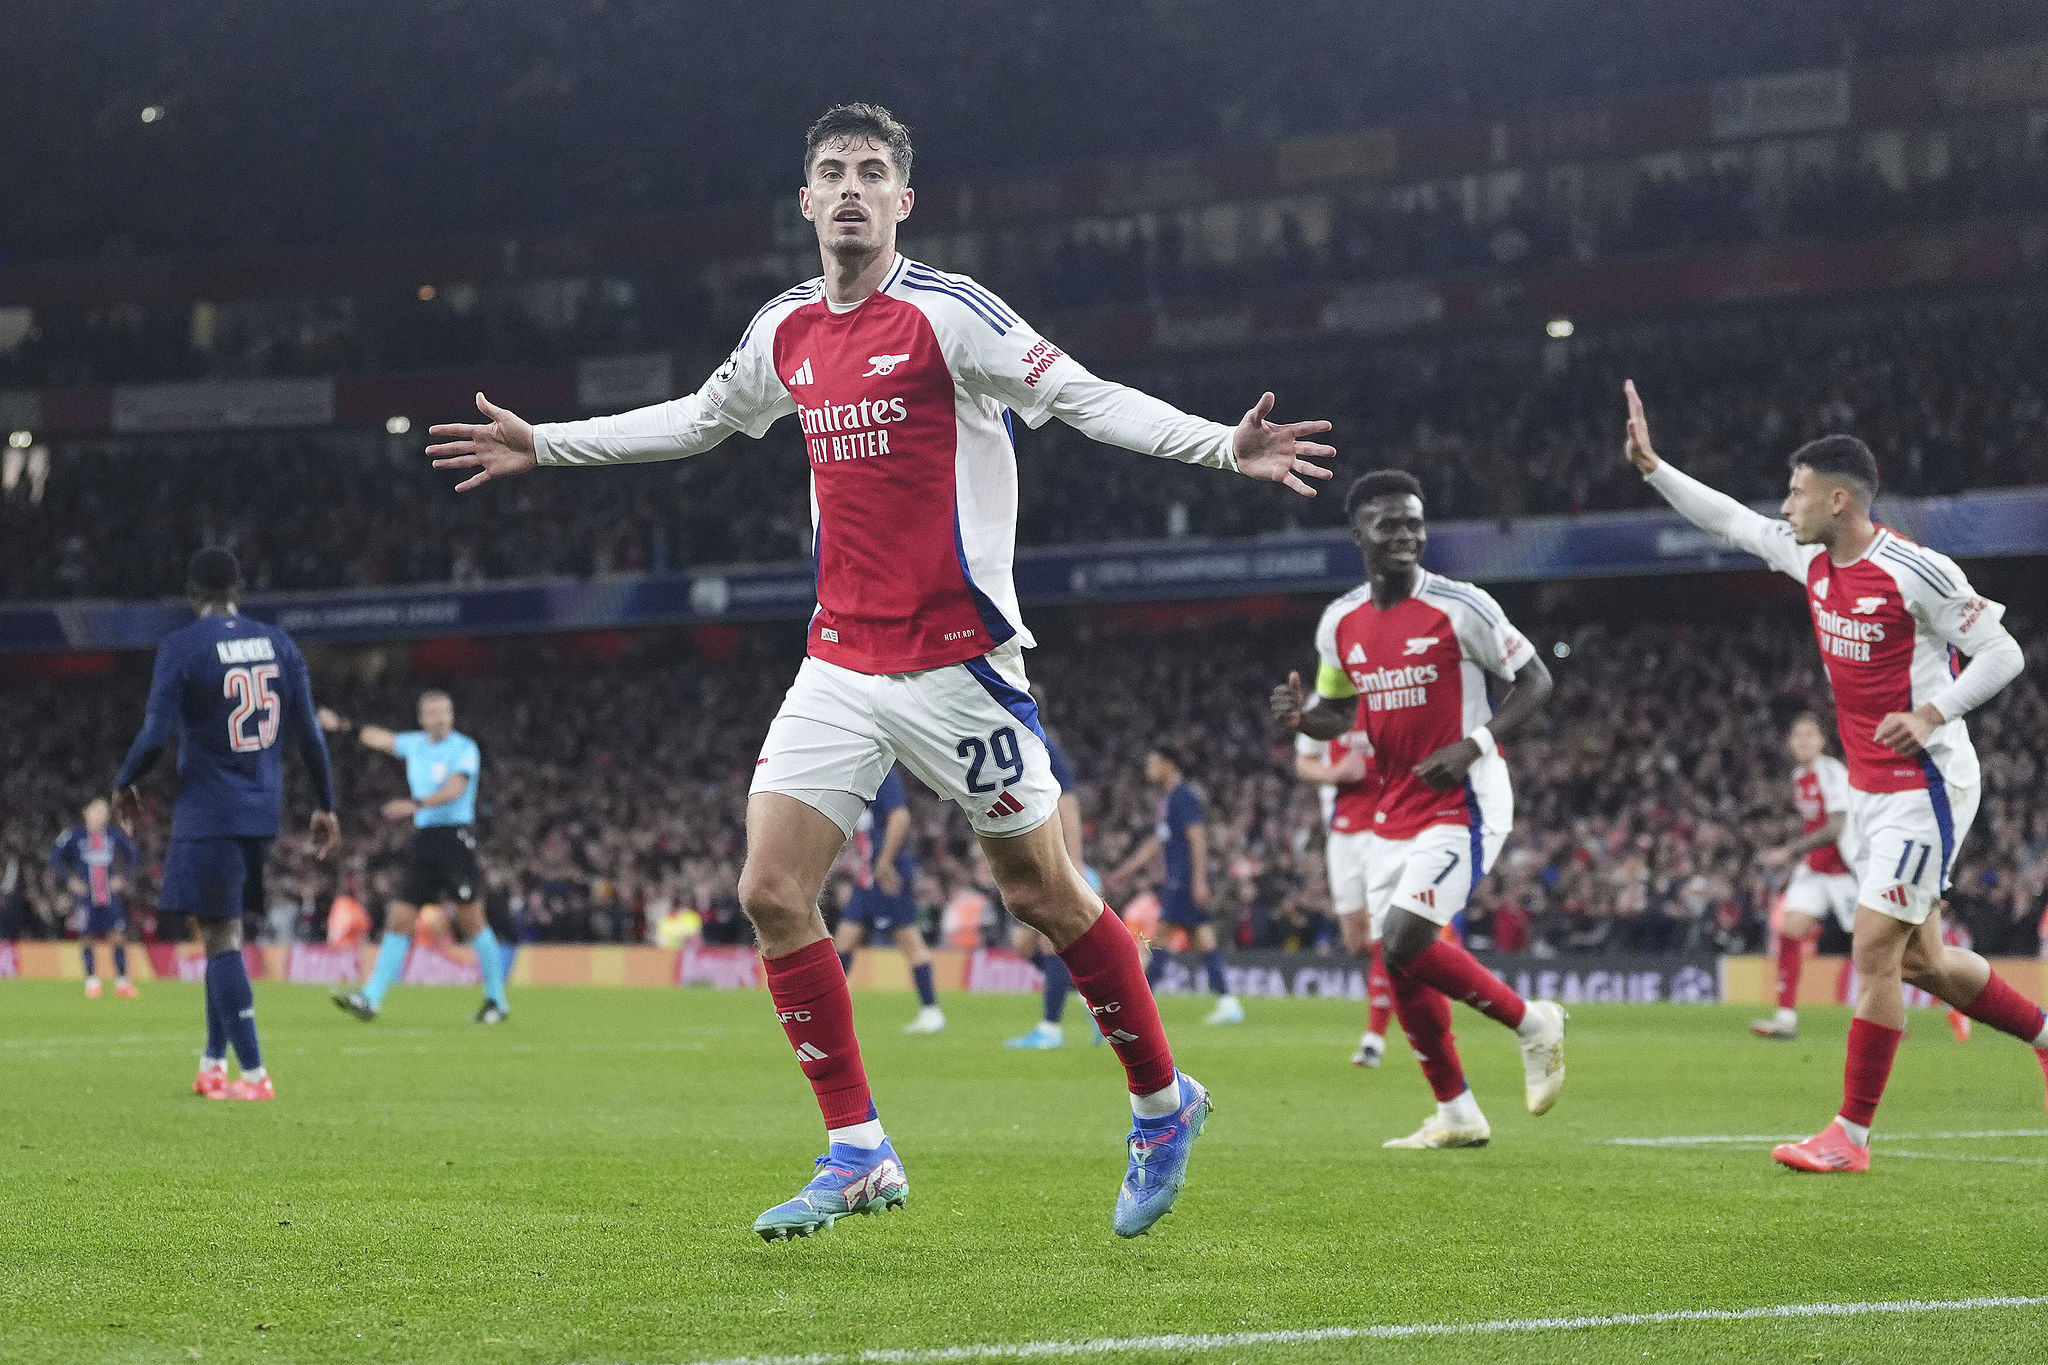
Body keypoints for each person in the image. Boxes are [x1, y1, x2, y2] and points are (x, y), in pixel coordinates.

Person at [425, 103, 1334, 1239]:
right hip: (838, 660)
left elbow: (1081, 395)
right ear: (804, 203)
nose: (849, 188)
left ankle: (1161, 1104)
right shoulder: (784, 330)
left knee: (1042, 895)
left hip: (960, 666)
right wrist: (545, 443)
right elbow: (698, 420)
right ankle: (857, 1149)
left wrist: (1217, 444)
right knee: (767, 889)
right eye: (829, 173)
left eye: (870, 172)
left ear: (903, 200)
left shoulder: (949, 317)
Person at [1623, 381, 2041, 1173]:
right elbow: (1731, 520)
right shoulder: (1807, 556)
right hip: (1872, 789)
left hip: (1928, 784)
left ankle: (1850, 1135)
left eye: (1797, 492)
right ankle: (2045, 1034)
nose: (1785, 505)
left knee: (1875, 948)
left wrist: (1933, 713)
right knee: (1925, 962)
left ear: (1840, 499)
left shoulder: (1917, 570)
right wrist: (1654, 469)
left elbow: (2004, 652)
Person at [1272, 469, 1567, 1149]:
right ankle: (1457, 1112)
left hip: (1465, 797)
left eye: (1414, 521)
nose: (1405, 534)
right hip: (1391, 807)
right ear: (1359, 534)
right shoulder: (1340, 623)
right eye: (1389, 523)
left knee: (1406, 937)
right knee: (1396, 958)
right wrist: (1301, 718)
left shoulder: (1462, 606)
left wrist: (1475, 743)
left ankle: (1533, 1023)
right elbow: (1337, 713)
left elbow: (1535, 679)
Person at [112, 548, 339, 1101]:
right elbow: (309, 733)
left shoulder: (183, 646)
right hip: (262, 806)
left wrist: (124, 782)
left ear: (192, 595)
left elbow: (155, 736)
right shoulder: (279, 643)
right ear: (240, 588)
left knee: (218, 936)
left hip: (210, 808)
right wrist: (326, 803)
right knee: (221, 929)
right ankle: (213, 1063)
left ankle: (256, 1074)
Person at [321, 693, 509, 1024]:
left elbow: (456, 789)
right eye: (433, 714)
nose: (440, 719)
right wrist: (342, 725)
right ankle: (370, 998)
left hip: (455, 838)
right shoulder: (414, 743)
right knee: (400, 917)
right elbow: (379, 738)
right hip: (425, 842)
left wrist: (415, 805)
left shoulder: (464, 748)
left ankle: (497, 1000)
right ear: (422, 719)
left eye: (446, 712)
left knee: (471, 919)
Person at [1107, 746, 1243, 1025]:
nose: (1149, 770)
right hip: (1180, 878)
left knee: (1158, 938)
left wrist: (1199, 880)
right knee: (1202, 938)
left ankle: (1139, 1006)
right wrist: (1126, 870)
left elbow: (1198, 838)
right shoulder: (1169, 800)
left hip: (1183, 879)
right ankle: (1228, 1001)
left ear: (1169, 764)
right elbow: (1156, 843)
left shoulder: (1184, 797)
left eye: (1153, 763)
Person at [1751, 713, 1859, 1040]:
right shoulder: (1799, 776)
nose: (1803, 741)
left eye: (1810, 735)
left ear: (1822, 741)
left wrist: (1789, 850)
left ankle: (1894, 1015)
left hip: (1846, 872)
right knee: (1789, 932)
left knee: (1876, 948)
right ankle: (1785, 1018)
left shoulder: (1831, 772)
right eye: (1797, 736)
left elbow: (1836, 826)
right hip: (1815, 870)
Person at [1293, 731, 1393, 1065]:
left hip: (1386, 829)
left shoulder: (1388, 690)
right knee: (1357, 942)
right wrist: (1333, 774)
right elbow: (1304, 762)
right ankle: (1427, 963)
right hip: (1342, 832)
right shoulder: (1327, 703)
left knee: (1383, 934)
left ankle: (1373, 1040)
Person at [834, 765, 945, 1034]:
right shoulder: (860, 778)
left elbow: (900, 816)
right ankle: (830, 1014)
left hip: (886, 878)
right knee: (843, 943)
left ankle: (931, 1011)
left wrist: (884, 863)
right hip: (866, 879)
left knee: (910, 943)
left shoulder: (882, 775)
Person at [1007, 721, 1094, 1049]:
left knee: (1048, 942)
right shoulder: (1015, 743)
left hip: (1052, 856)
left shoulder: (1044, 747)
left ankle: (1050, 1029)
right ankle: (1090, 1001)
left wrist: (1074, 861)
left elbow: (1067, 804)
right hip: (1028, 856)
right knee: (1022, 943)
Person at [50, 798, 142, 998]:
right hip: (86, 897)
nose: (101, 814)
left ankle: (122, 982)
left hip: (109, 897)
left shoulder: (113, 835)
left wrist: (123, 878)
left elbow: (134, 854)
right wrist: (70, 879)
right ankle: (92, 982)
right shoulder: (75, 836)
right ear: (86, 812)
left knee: (118, 938)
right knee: (87, 939)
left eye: (104, 811)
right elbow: (55, 856)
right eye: (97, 810)